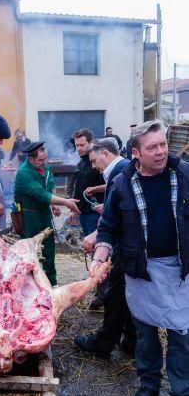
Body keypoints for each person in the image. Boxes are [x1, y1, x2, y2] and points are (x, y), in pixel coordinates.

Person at [90, 120, 189, 396]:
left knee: (181, 336)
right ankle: (148, 385)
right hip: (141, 272)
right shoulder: (122, 184)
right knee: (145, 335)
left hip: (178, 270)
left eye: (163, 144)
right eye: (153, 147)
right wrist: (99, 257)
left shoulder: (184, 174)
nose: (161, 152)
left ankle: (183, 395)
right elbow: (108, 226)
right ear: (136, 153)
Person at [74, 138, 136, 359]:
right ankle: (131, 340)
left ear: (106, 153)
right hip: (130, 243)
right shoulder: (122, 169)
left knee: (114, 294)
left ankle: (104, 342)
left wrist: (95, 236)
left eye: (94, 160)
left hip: (125, 245)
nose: (93, 167)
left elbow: (114, 219)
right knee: (128, 295)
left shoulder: (119, 172)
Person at [14, 142, 79, 286]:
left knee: (49, 247)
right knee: (30, 249)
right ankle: (29, 283)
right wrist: (66, 202)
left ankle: (51, 281)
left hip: (44, 214)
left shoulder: (46, 169)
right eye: (41, 160)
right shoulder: (24, 173)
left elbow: (50, 186)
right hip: (28, 216)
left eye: (46, 159)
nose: (45, 163)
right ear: (31, 159)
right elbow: (41, 194)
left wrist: (55, 204)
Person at [73, 129, 105, 237]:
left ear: (91, 142)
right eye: (76, 145)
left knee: (97, 247)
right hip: (83, 213)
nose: (78, 148)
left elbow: (111, 185)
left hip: (95, 213)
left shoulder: (99, 161)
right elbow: (78, 187)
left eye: (82, 145)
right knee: (88, 247)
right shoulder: (81, 163)